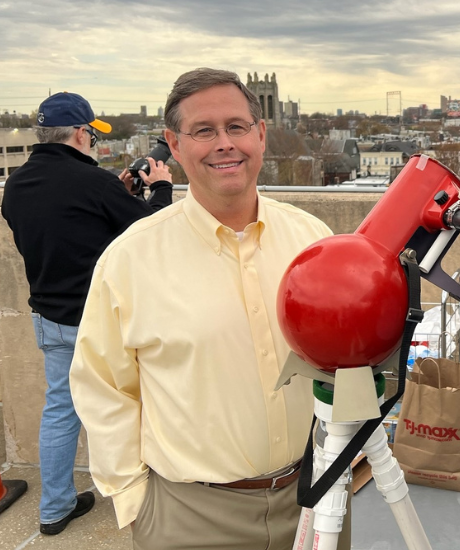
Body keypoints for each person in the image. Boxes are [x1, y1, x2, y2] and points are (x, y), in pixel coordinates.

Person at [70, 68, 349, 550]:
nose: (225, 144)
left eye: (237, 127)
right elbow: (103, 386)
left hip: (316, 497)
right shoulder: (130, 259)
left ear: (260, 135)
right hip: (191, 516)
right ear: (174, 146)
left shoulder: (314, 241)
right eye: (204, 131)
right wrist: (135, 501)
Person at [1, 92, 173, 535]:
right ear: (80, 133)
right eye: (93, 136)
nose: (94, 144)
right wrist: (162, 188)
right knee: (141, 402)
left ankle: (54, 508)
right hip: (101, 322)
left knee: (61, 409)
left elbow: (65, 231)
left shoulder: (17, 184)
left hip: (50, 317)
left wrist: (116, 194)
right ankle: (152, 498)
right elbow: (148, 233)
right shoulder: (91, 184)